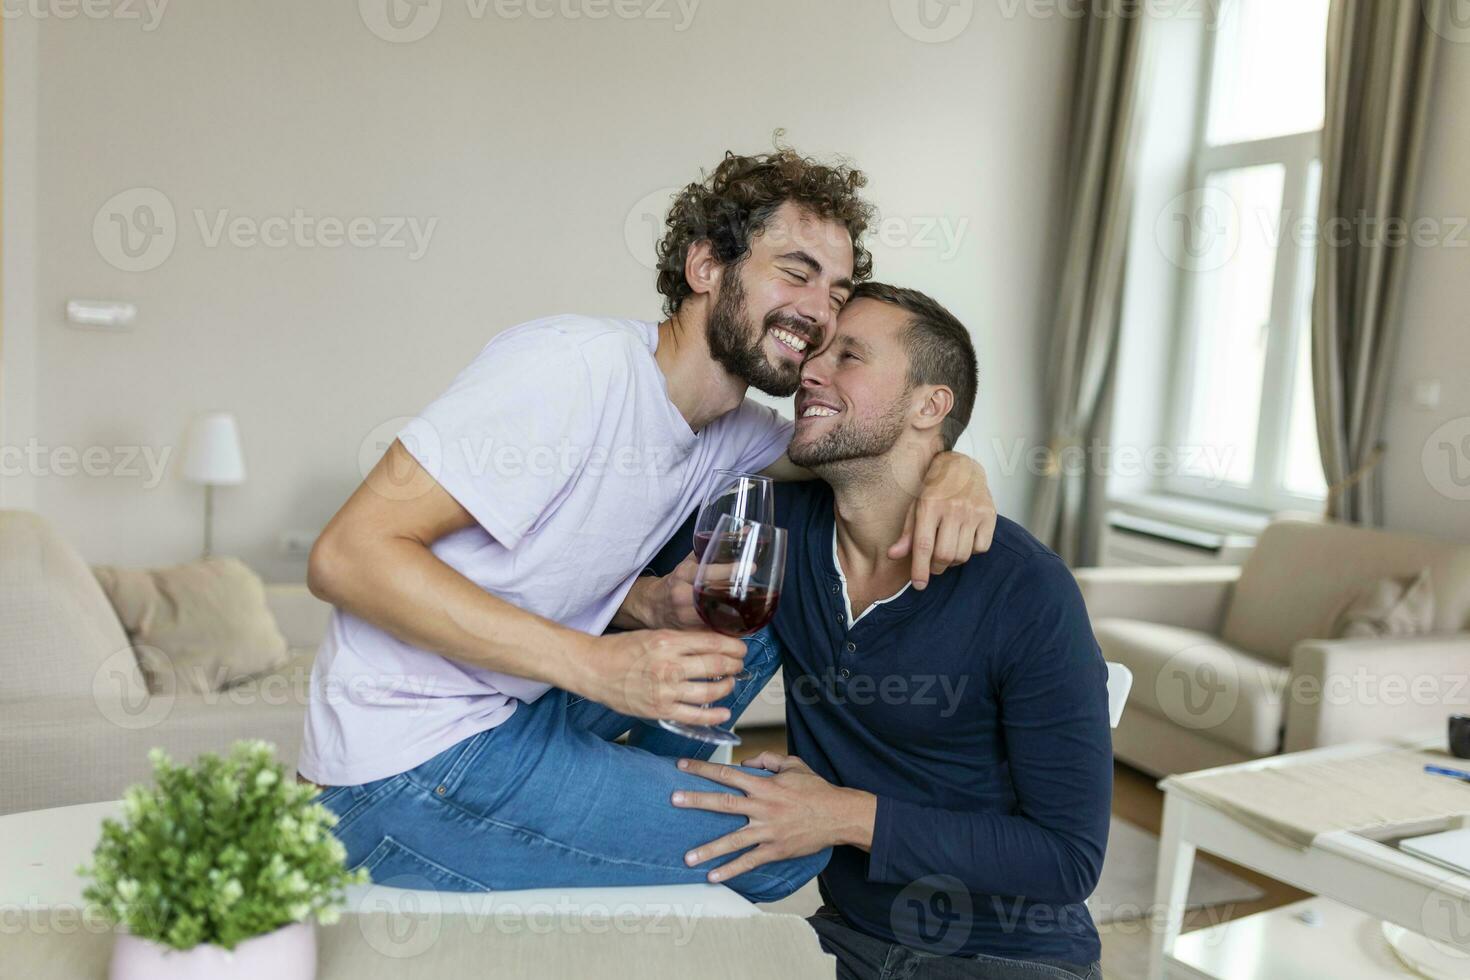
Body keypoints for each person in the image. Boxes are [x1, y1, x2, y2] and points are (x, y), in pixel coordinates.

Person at [296, 146, 1000, 902]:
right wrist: (597, 666)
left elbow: (869, 452)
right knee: (782, 850)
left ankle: (648, 788)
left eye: (836, 292)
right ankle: (632, 805)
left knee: (766, 582)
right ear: (705, 267)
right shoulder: (572, 369)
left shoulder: (734, 431)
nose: (821, 313)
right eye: (795, 273)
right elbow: (347, 555)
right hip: (403, 766)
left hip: (517, 709)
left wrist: (958, 470)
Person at [633, 283, 1111, 977]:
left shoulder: (1026, 590)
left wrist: (841, 815)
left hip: (1011, 957)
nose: (810, 372)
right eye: (815, 353)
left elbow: (1069, 858)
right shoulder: (777, 532)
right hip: (846, 941)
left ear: (929, 405)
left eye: (848, 356)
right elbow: (628, 553)